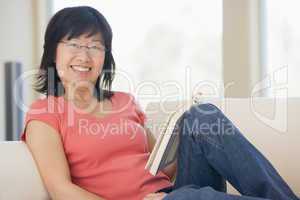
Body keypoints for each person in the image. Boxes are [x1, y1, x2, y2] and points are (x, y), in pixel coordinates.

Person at [20, 6, 299, 200]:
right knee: (190, 197)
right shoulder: (45, 112)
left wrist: (181, 137)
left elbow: (162, 169)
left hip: (172, 193)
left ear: (105, 56)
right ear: (53, 52)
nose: (84, 55)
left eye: (95, 46)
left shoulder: (125, 101)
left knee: (202, 115)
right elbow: (60, 190)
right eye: (74, 44)